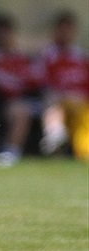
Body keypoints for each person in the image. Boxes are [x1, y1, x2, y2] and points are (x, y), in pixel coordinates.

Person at [0, 14, 42, 167]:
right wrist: (21, 83)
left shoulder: (20, 56)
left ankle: (57, 150)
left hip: (25, 98)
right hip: (0, 102)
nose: (4, 38)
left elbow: (36, 77)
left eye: (6, 33)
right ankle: (11, 152)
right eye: (0, 34)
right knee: (21, 109)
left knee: (52, 106)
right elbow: (0, 82)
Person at [37, 11, 89, 162]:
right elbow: (40, 80)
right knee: (53, 101)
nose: (66, 34)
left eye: (69, 30)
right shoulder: (47, 55)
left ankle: (56, 137)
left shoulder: (80, 56)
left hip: (82, 103)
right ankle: (55, 137)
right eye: (63, 29)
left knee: (85, 153)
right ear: (56, 31)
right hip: (58, 101)